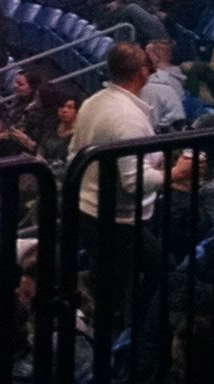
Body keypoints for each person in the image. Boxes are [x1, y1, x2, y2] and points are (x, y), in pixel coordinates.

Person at [68, 43, 177, 347]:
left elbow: (73, 153)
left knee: (118, 279)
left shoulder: (92, 102)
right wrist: (173, 175)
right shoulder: (127, 117)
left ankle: (117, 334)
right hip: (115, 218)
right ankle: (119, 344)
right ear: (143, 73)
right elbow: (134, 182)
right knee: (132, 280)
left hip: (91, 210)